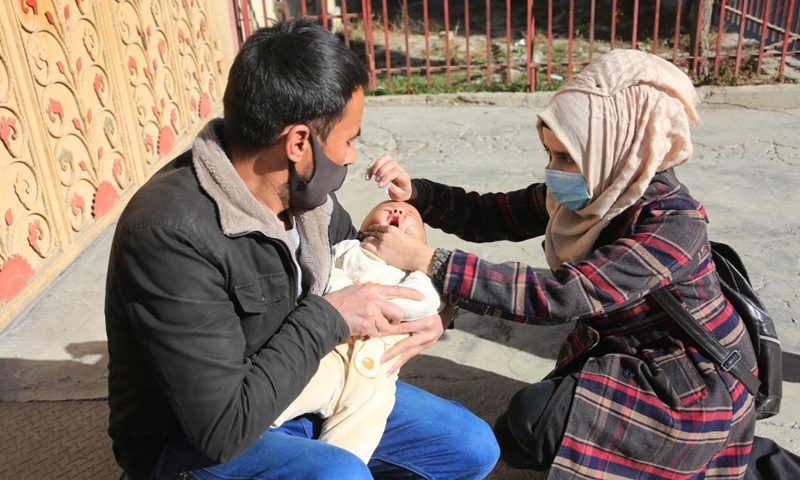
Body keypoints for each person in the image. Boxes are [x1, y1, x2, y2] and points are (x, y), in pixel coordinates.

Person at [104, 19, 499, 480]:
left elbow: (369, 268)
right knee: (339, 475)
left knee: (469, 447)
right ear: (298, 142)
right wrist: (330, 318)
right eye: (348, 140)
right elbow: (221, 428)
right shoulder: (170, 234)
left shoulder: (307, 198)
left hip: (313, 383)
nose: (351, 156)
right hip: (200, 437)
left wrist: (437, 317)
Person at [361, 49, 758, 478]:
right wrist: (418, 194)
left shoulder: (672, 223)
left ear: (617, 145)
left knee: (534, 422)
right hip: (630, 351)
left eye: (566, 157)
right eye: (549, 154)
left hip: (692, 382)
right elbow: (492, 214)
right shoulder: (599, 189)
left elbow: (563, 294)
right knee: (537, 421)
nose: (553, 170)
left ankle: (703, 454)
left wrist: (430, 261)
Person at [272, 200, 442, 463]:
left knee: (351, 452)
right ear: (364, 229)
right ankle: (240, 431)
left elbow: (423, 300)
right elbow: (323, 276)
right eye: (386, 208)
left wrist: (374, 300)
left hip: (377, 379)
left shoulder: (419, 274)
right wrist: (353, 293)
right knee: (277, 396)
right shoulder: (350, 249)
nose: (398, 211)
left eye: (411, 216)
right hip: (331, 354)